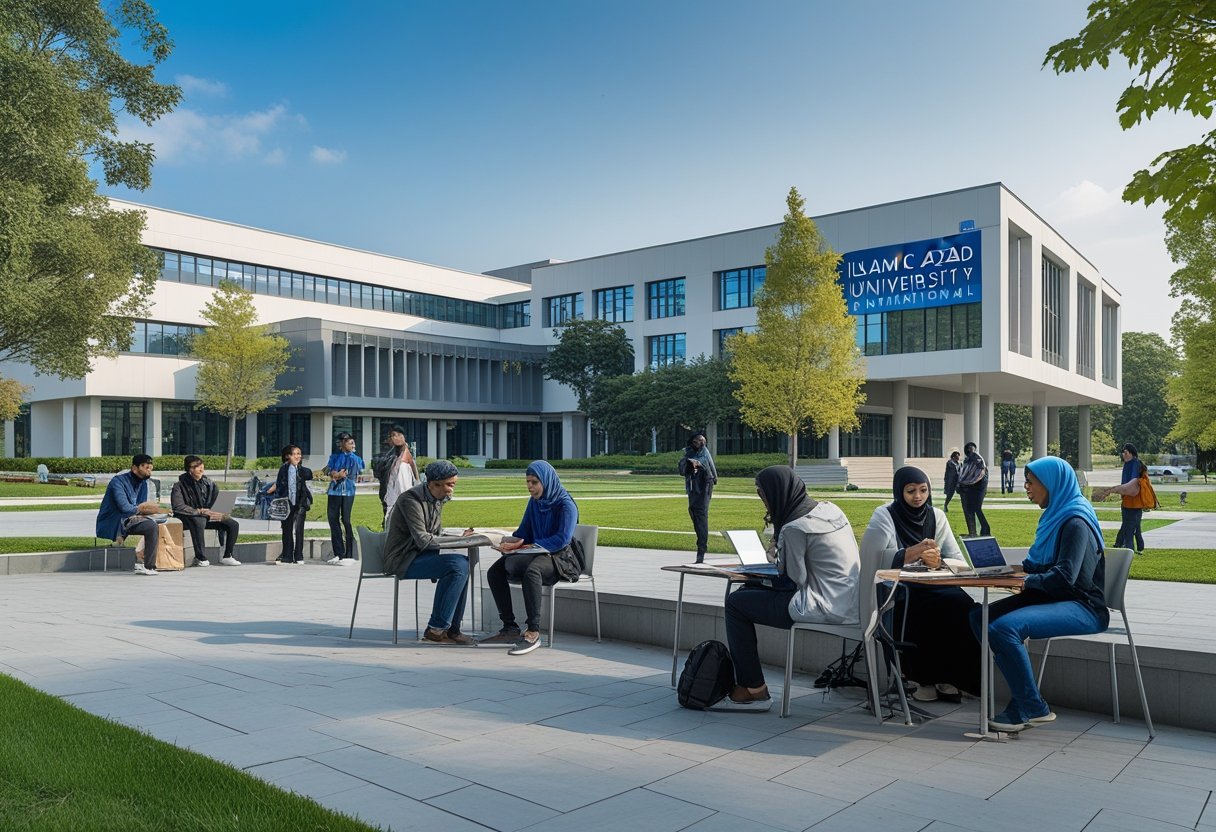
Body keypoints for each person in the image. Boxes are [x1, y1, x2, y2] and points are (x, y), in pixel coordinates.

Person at [970, 455, 1107, 733]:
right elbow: (1041, 566)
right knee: (978, 617)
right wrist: (1007, 570)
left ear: (1052, 484)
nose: (1026, 487)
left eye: (1031, 482)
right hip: (1053, 597)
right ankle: (1021, 701)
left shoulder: (1075, 522)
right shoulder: (1054, 517)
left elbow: (1065, 576)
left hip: (1082, 606)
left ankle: (1032, 707)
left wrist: (1027, 581)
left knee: (1004, 628)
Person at [718, 466, 860, 711]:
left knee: (735, 603)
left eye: (762, 494)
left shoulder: (795, 527)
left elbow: (793, 581)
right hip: (849, 600)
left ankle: (753, 689)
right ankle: (751, 685)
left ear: (775, 493)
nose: (762, 501)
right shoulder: (830, 509)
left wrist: (762, 572)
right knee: (745, 595)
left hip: (819, 605)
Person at [860, 466, 978, 702]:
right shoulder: (885, 515)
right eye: (911, 491)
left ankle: (953, 678)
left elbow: (957, 558)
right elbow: (873, 557)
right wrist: (911, 553)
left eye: (923, 490)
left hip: (935, 584)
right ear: (899, 491)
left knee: (962, 605)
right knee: (923, 608)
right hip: (900, 587)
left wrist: (938, 560)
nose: (918, 497)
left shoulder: (936, 516)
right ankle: (921, 678)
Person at [480, 461, 581, 655]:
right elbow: (524, 532)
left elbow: (562, 539)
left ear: (546, 481)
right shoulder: (534, 502)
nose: (529, 486)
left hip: (559, 558)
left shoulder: (565, 504)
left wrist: (530, 546)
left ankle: (533, 631)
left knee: (532, 571)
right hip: (534, 552)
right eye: (527, 482)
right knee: (495, 572)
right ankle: (509, 627)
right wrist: (508, 542)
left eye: (534, 482)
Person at [383, 459, 475, 645]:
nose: (452, 489)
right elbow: (423, 539)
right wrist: (458, 541)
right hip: (404, 560)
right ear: (434, 484)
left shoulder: (437, 499)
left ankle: (451, 630)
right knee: (458, 566)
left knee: (464, 564)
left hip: (422, 556)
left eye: (453, 484)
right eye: (449, 484)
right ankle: (436, 630)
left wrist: (459, 536)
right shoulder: (411, 500)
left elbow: (434, 534)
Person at [96, 454, 164, 575]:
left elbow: (140, 508)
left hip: (131, 519)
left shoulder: (143, 483)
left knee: (159, 522)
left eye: (151, 468)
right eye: (146, 467)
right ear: (134, 468)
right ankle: (149, 566)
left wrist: (148, 511)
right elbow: (125, 508)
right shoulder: (118, 482)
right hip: (115, 521)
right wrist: (143, 509)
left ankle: (141, 560)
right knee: (150, 526)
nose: (149, 470)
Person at [171, 455, 241, 567]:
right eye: (197, 467)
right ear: (189, 469)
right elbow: (178, 506)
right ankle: (201, 557)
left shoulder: (209, 483)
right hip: (187, 517)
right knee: (199, 521)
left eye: (201, 466)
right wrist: (199, 511)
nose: (201, 469)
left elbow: (216, 501)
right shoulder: (179, 486)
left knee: (232, 524)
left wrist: (219, 512)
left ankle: (228, 556)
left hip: (207, 516)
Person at [1094, 444, 1148, 554]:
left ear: (1131, 453)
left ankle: (1130, 548)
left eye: (1126, 452)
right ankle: (1128, 545)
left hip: (1133, 501)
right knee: (1132, 524)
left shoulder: (1135, 464)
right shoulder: (1130, 464)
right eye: (1123, 452)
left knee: (1130, 527)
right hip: (1130, 500)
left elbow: (1132, 484)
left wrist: (1113, 490)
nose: (1124, 455)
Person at [268, 444, 313, 564]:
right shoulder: (283, 469)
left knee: (299, 530)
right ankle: (287, 556)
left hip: (300, 504)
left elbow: (309, 475)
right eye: (295, 454)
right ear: (287, 456)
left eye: (299, 454)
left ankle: (299, 556)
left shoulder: (302, 470)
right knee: (286, 530)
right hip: (286, 504)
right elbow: (279, 485)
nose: (298, 456)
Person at [324, 432, 364, 565]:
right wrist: (335, 474)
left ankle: (349, 553)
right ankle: (338, 553)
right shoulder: (334, 456)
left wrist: (341, 474)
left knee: (346, 520)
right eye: (349, 442)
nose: (352, 444)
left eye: (353, 442)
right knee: (333, 520)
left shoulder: (356, 458)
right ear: (342, 443)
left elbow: (357, 470)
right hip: (334, 492)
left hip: (348, 491)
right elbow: (330, 471)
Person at [678, 432, 718, 563]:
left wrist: (699, 466)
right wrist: (688, 463)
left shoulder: (704, 453)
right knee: (694, 513)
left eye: (702, 440)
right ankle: (701, 549)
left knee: (701, 516)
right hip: (693, 489)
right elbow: (683, 470)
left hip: (704, 487)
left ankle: (701, 551)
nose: (700, 443)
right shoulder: (688, 454)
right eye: (697, 440)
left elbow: (709, 469)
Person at [373, 424, 419, 521]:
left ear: (403, 437)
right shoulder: (391, 455)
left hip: (399, 499)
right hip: (390, 496)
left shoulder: (403, 460)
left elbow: (405, 486)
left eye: (397, 435)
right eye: (392, 435)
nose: (394, 438)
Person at [957, 441, 991, 537]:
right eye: (968, 449)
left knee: (976, 508)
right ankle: (973, 532)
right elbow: (963, 474)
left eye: (971, 449)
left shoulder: (978, 459)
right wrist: (961, 484)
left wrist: (967, 483)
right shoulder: (967, 461)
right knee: (970, 510)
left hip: (977, 488)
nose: (969, 451)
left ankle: (985, 530)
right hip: (968, 488)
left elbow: (980, 474)